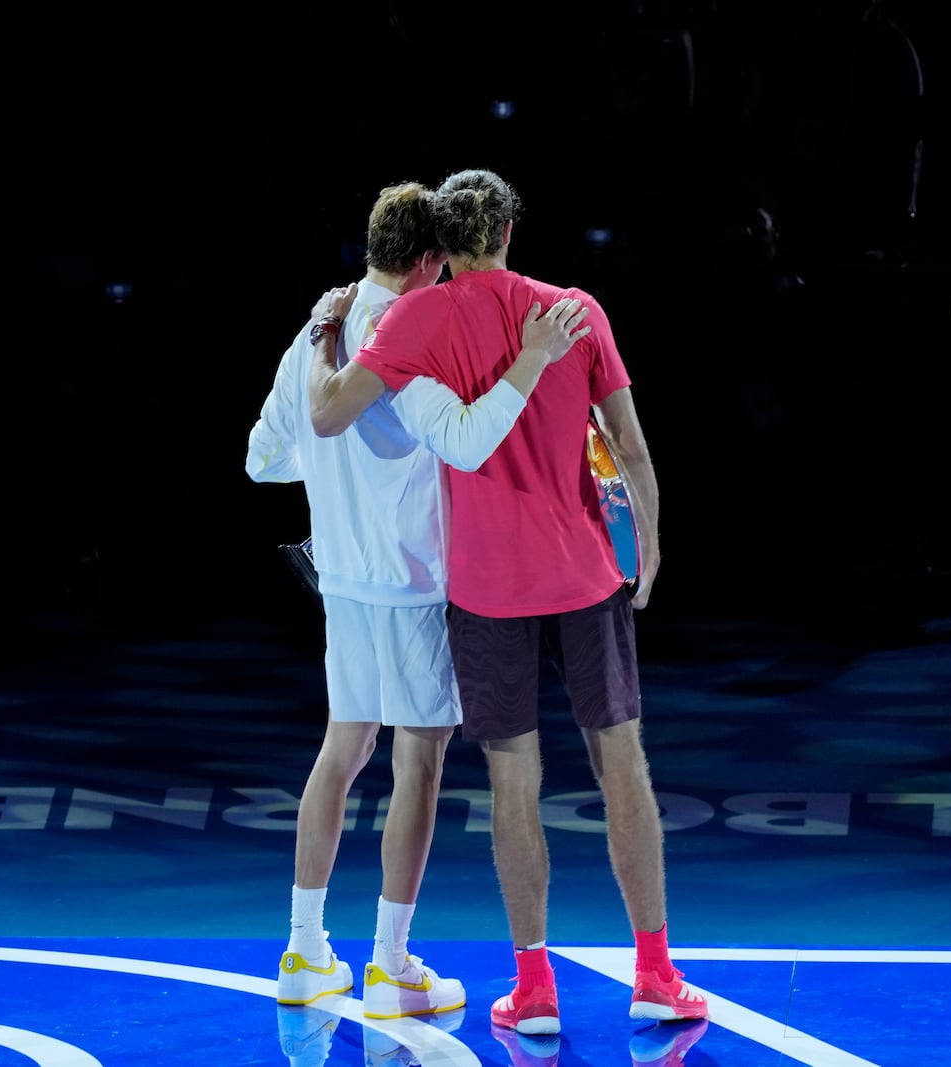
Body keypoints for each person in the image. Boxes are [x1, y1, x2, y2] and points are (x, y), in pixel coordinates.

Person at [307, 168, 706, 1035]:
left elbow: (332, 415)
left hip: (486, 592)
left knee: (513, 782)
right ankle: (654, 973)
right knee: (622, 766)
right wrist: (653, 543)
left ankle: (533, 991)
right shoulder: (575, 311)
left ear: (442, 249)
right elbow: (630, 449)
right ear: (511, 232)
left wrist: (326, 334)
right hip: (585, 581)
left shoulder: (416, 316)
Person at [245, 181, 589, 1022]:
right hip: (413, 585)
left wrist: (341, 482)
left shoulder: (315, 332)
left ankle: (304, 949)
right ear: (432, 260)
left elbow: (265, 458)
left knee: (342, 749)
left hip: (343, 585)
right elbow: (467, 444)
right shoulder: (417, 334)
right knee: (418, 765)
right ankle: (391, 966)